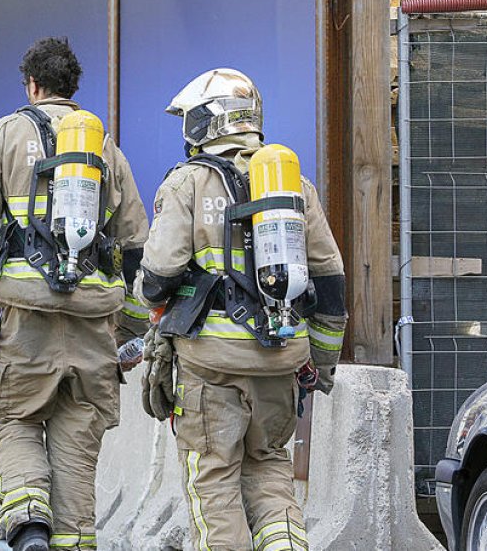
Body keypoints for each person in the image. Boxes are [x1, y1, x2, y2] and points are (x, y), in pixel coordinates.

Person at [0, 37, 149, 551]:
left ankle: (29, 523)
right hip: (95, 328)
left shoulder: (5, 136)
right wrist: (132, 329)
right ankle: (73, 540)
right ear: (73, 88)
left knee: (14, 418)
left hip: (18, 320)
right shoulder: (105, 150)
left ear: (31, 85)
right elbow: (137, 243)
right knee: (77, 441)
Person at [134, 68, 347, 551]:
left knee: (213, 478)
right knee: (271, 468)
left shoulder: (188, 183)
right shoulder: (297, 188)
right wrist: (322, 363)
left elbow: (160, 275)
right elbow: (331, 280)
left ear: (205, 123)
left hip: (211, 366)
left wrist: (147, 295)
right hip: (282, 362)